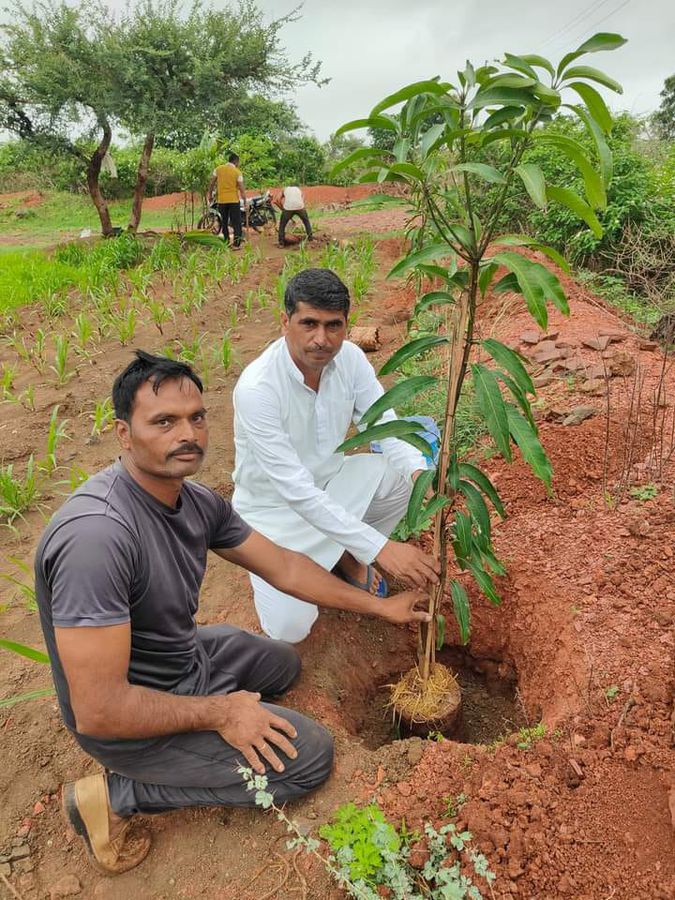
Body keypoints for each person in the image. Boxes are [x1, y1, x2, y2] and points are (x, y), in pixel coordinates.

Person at [34, 351, 431, 875]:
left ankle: (208, 711)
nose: (188, 434)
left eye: (196, 417)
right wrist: (221, 713)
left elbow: (286, 567)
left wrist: (380, 607)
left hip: (178, 658)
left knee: (282, 665)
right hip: (128, 716)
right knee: (309, 758)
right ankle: (116, 794)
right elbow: (99, 709)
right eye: (164, 421)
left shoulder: (194, 501)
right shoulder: (98, 539)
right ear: (123, 435)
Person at [233, 268, 440, 644]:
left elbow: (386, 428)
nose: (321, 340)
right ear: (285, 322)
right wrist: (381, 548)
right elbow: (295, 491)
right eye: (308, 323)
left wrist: (421, 478)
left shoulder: (352, 361)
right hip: (275, 516)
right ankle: (339, 555)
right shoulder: (258, 388)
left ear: (347, 325)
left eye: (334, 326)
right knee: (289, 629)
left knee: (400, 477)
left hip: (330, 487)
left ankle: (344, 553)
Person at [208, 152, 247, 249]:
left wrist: (210, 194)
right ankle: (236, 244)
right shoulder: (237, 172)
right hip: (234, 200)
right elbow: (242, 189)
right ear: (236, 162)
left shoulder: (218, 169)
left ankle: (226, 242)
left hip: (222, 201)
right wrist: (245, 201)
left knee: (223, 222)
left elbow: (212, 182)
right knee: (236, 222)